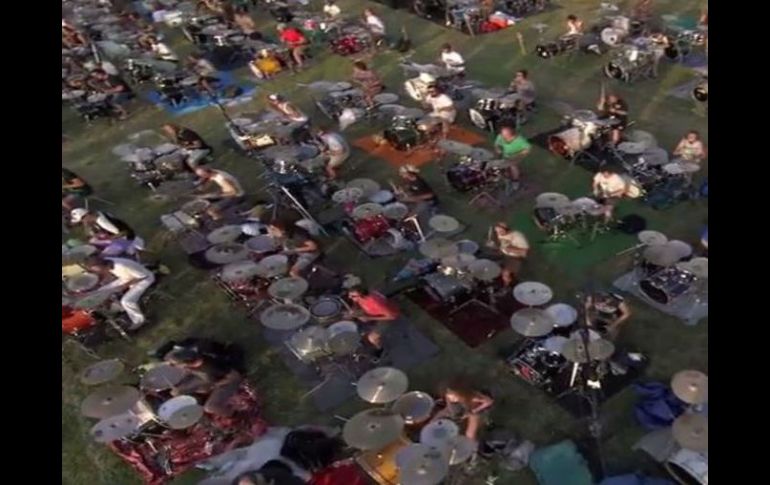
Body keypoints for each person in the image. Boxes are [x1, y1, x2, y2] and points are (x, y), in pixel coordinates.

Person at [167, 348, 243, 417]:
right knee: (176, 392)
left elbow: (233, 377)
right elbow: (192, 374)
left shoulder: (211, 367)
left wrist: (213, 386)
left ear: (185, 362)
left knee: (210, 407)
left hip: (228, 381)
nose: (172, 366)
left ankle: (234, 414)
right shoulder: (191, 364)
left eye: (174, 364)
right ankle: (200, 402)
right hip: (208, 379)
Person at [84, 255, 155, 329]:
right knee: (102, 289)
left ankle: (139, 320)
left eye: (95, 269)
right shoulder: (107, 262)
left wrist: (124, 286)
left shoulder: (121, 265)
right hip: (128, 278)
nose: (96, 272)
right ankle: (94, 299)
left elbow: (142, 276)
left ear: (99, 266)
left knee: (126, 301)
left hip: (144, 279)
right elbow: (103, 274)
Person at [347, 287, 400, 359]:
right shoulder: (360, 297)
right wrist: (354, 309)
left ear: (362, 295)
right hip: (371, 311)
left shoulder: (376, 303)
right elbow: (356, 303)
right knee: (350, 315)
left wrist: (369, 318)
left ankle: (380, 349)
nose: (350, 297)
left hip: (386, 317)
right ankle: (361, 331)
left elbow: (392, 316)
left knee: (372, 338)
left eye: (353, 296)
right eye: (349, 295)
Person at [70, 208, 144, 257]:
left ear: (87, 216)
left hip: (129, 240)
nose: (83, 223)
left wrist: (108, 238)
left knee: (104, 256)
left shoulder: (104, 223)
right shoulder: (97, 214)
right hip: (123, 238)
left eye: (82, 221)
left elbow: (124, 232)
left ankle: (133, 254)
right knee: (94, 242)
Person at [486, 222, 529, 287]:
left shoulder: (518, 236)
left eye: (500, 231)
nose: (498, 233)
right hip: (504, 254)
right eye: (497, 231)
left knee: (506, 274)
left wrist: (511, 249)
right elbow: (501, 246)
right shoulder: (499, 234)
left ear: (507, 230)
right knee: (490, 261)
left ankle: (508, 286)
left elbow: (525, 252)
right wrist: (494, 246)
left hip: (516, 257)